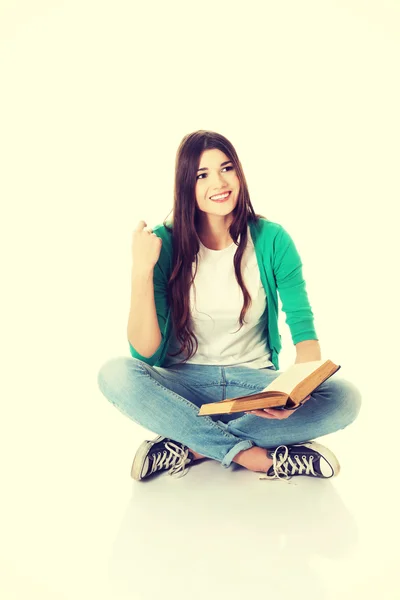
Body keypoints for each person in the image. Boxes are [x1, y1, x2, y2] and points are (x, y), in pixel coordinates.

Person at [97, 130, 362, 483]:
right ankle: (259, 459)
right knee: (114, 374)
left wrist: (295, 391)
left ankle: (189, 444)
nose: (219, 182)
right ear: (185, 185)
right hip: (183, 382)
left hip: (254, 385)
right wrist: (141, 271)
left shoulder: (272, 239)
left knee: (344, 397)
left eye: (226, 168)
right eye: (202, 175)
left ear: (239, 173)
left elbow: (303, 330)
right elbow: (143, 352)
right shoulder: (164, 244)